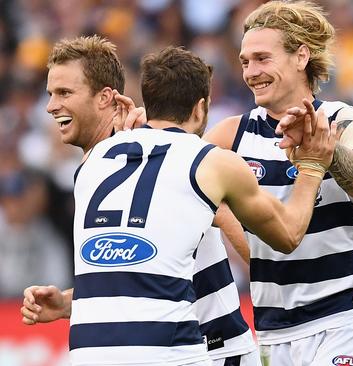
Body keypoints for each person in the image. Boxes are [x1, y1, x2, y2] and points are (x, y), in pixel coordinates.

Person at [25, 38, 336, 366]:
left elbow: (141, 266)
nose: (51, 106)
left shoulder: (91, 166)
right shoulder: (205, 162)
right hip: (182, 348)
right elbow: (284, 239)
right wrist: (314, 164)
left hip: (106, 350)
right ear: (201, 107)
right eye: (51, 94)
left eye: (63, 93)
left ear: (114, 99)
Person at [199, 1, 353, 365]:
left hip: (345, 315)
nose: (251, 72)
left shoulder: (343, 119)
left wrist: (326, 151)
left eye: (262, 58)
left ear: (301, 56)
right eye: (244, 62)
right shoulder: (230, 136)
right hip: (274, 327)